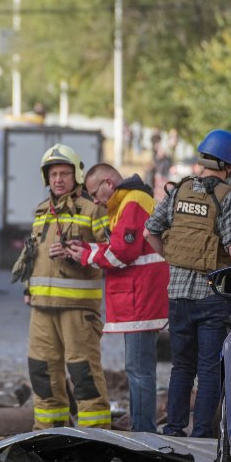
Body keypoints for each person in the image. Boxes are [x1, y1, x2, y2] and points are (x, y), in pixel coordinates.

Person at [145, 129, 231, 438]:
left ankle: (174, 430)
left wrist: (174, 258)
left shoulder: (179, 192)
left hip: (178, 296)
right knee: (208, 369)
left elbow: (150, 231)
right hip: (212, 296)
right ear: (229, 166)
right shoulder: (228, 195)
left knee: (182, 367)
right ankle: (202, 434)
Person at [65, 163, 170, 432]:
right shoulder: (131, 201)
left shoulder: (132, 202)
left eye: (95, 193)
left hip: (139, 300)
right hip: (140, 298)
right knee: (140, 370)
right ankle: (143, 430)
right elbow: (120, 246)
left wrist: (87, 255)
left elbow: (122, 252)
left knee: (139, 372)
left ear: (109, 183)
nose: (95, 201)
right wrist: (89, 248)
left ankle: (143, 434)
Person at [15, 143, 112, 431]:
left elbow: (110, 252)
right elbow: (34, 254)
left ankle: (95, 439)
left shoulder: (92, 210)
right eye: (53, 174)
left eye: (64, 174)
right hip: (42, 308)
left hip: (78, 310)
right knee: (42, 373)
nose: (58, 179)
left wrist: (78, 251)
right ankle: (48, 437)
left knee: (83, 374)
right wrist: (28, 288)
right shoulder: (42, 211)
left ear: (76, 176)